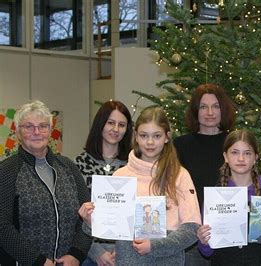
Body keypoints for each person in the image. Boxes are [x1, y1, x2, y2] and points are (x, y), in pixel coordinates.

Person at [79, 106, 201, 265]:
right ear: (135, 136)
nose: (150, 142)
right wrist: (89, 223)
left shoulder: (180, 175)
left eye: (156, 136)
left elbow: (192, 229)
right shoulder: (120, 176)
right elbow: (107, 228)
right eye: (144, 136)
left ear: (166, 137)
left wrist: (154, 246)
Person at [0, 100, 92, 265]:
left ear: (50, 130)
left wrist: (76, 254)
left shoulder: (68, 166)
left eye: (43, 126)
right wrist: (38, 261)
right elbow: (2, 226)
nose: (37, 132)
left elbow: (89, 214)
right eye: (28, 126)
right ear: (18, 132)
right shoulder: (7, 171)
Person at [197, 130, 261, 265]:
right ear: (225, 157)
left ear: (255, 157)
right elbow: (206, 252)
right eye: (234, 152)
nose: (241, 159)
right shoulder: (215, 197)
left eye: (247, 153)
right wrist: (204, 240)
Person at [173, 83, 235, 265]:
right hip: (192, 236)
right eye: (203, 107)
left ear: (223, 110)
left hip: (228, 233)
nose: (210, 112)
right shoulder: (180, 145)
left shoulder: (233, 144)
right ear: (195, 111)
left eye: (215, 106)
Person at [75, 100, 132, 266]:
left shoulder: (134, 164)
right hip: (89, 253)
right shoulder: (78, 163)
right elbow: (73, 214)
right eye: (111, 123)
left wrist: (122, 251)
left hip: (127, 253)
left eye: (122, 125)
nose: (115, 129)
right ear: (100, 124)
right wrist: (96, 252)